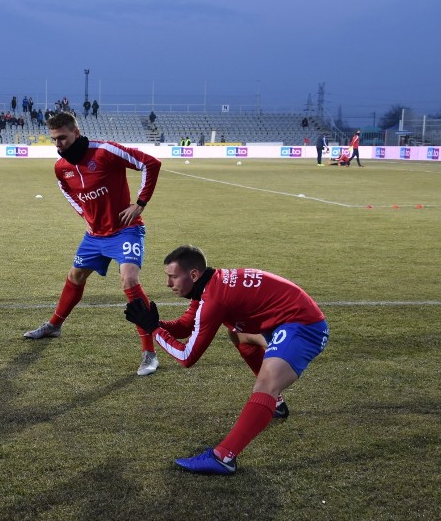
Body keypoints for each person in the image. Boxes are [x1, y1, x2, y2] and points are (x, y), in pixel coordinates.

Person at [124, 245, 328, 475]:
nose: (168, 284)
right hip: (282, 323)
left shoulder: (214, 299)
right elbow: (185, 326)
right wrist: (155, 323)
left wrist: (153, 329)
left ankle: (223, 458)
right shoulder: (210, 284)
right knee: (237, 334)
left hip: (304, 327)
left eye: (173, 277)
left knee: (265, 386)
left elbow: (186, 356)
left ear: (193, 275)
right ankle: (275, 405)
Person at [23, 111, 162, 376]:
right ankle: (55, 325)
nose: (58, 144)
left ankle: (149, 353)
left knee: (129, 280)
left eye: (62, 137)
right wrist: (84, 215)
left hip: (125, 230)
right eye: (54, 139)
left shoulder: (105, 151)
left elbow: (150, 163)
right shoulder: (61, 167)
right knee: (75, 277)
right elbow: (68, 191)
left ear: (76, 131)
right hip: (94, 235)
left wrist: (140, 204)